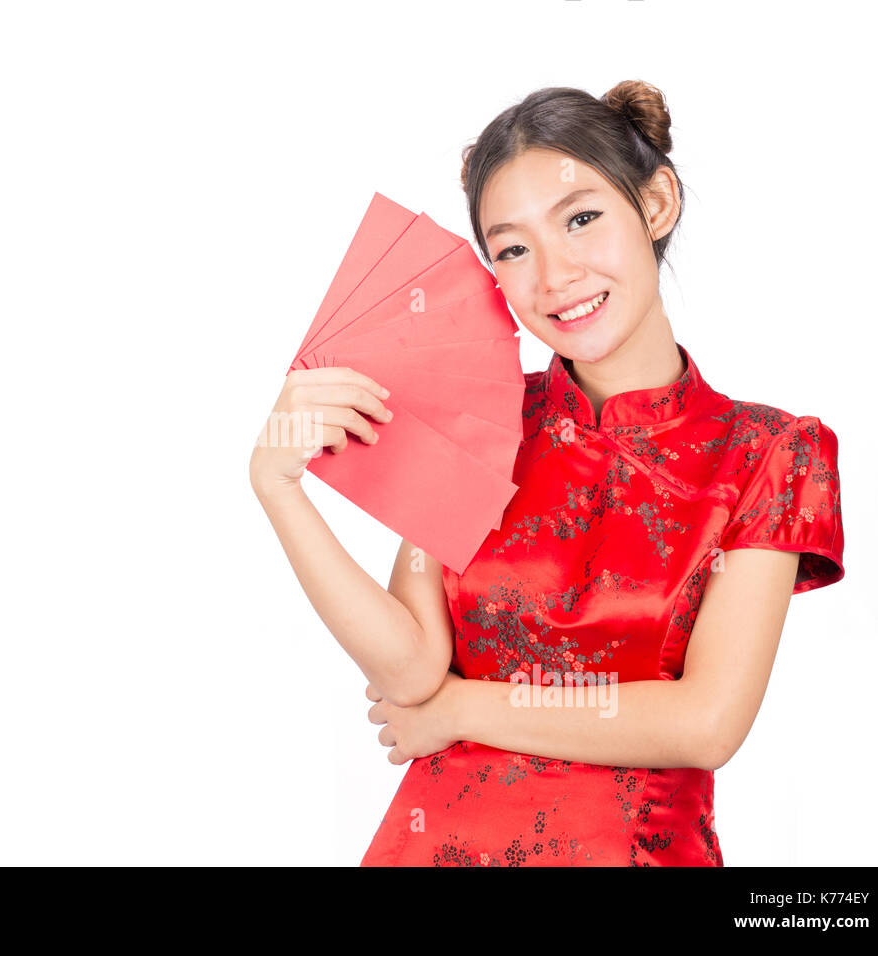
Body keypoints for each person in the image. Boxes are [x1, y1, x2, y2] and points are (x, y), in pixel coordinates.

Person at [247, 81, 845, 866]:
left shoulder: (769, 452)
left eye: (583, 219)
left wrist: (461, 709)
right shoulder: (482, 420)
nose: (555, 276)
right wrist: (278, 488)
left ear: (657, 204)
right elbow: (410, 666)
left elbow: (705, 723)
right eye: (513, 249)